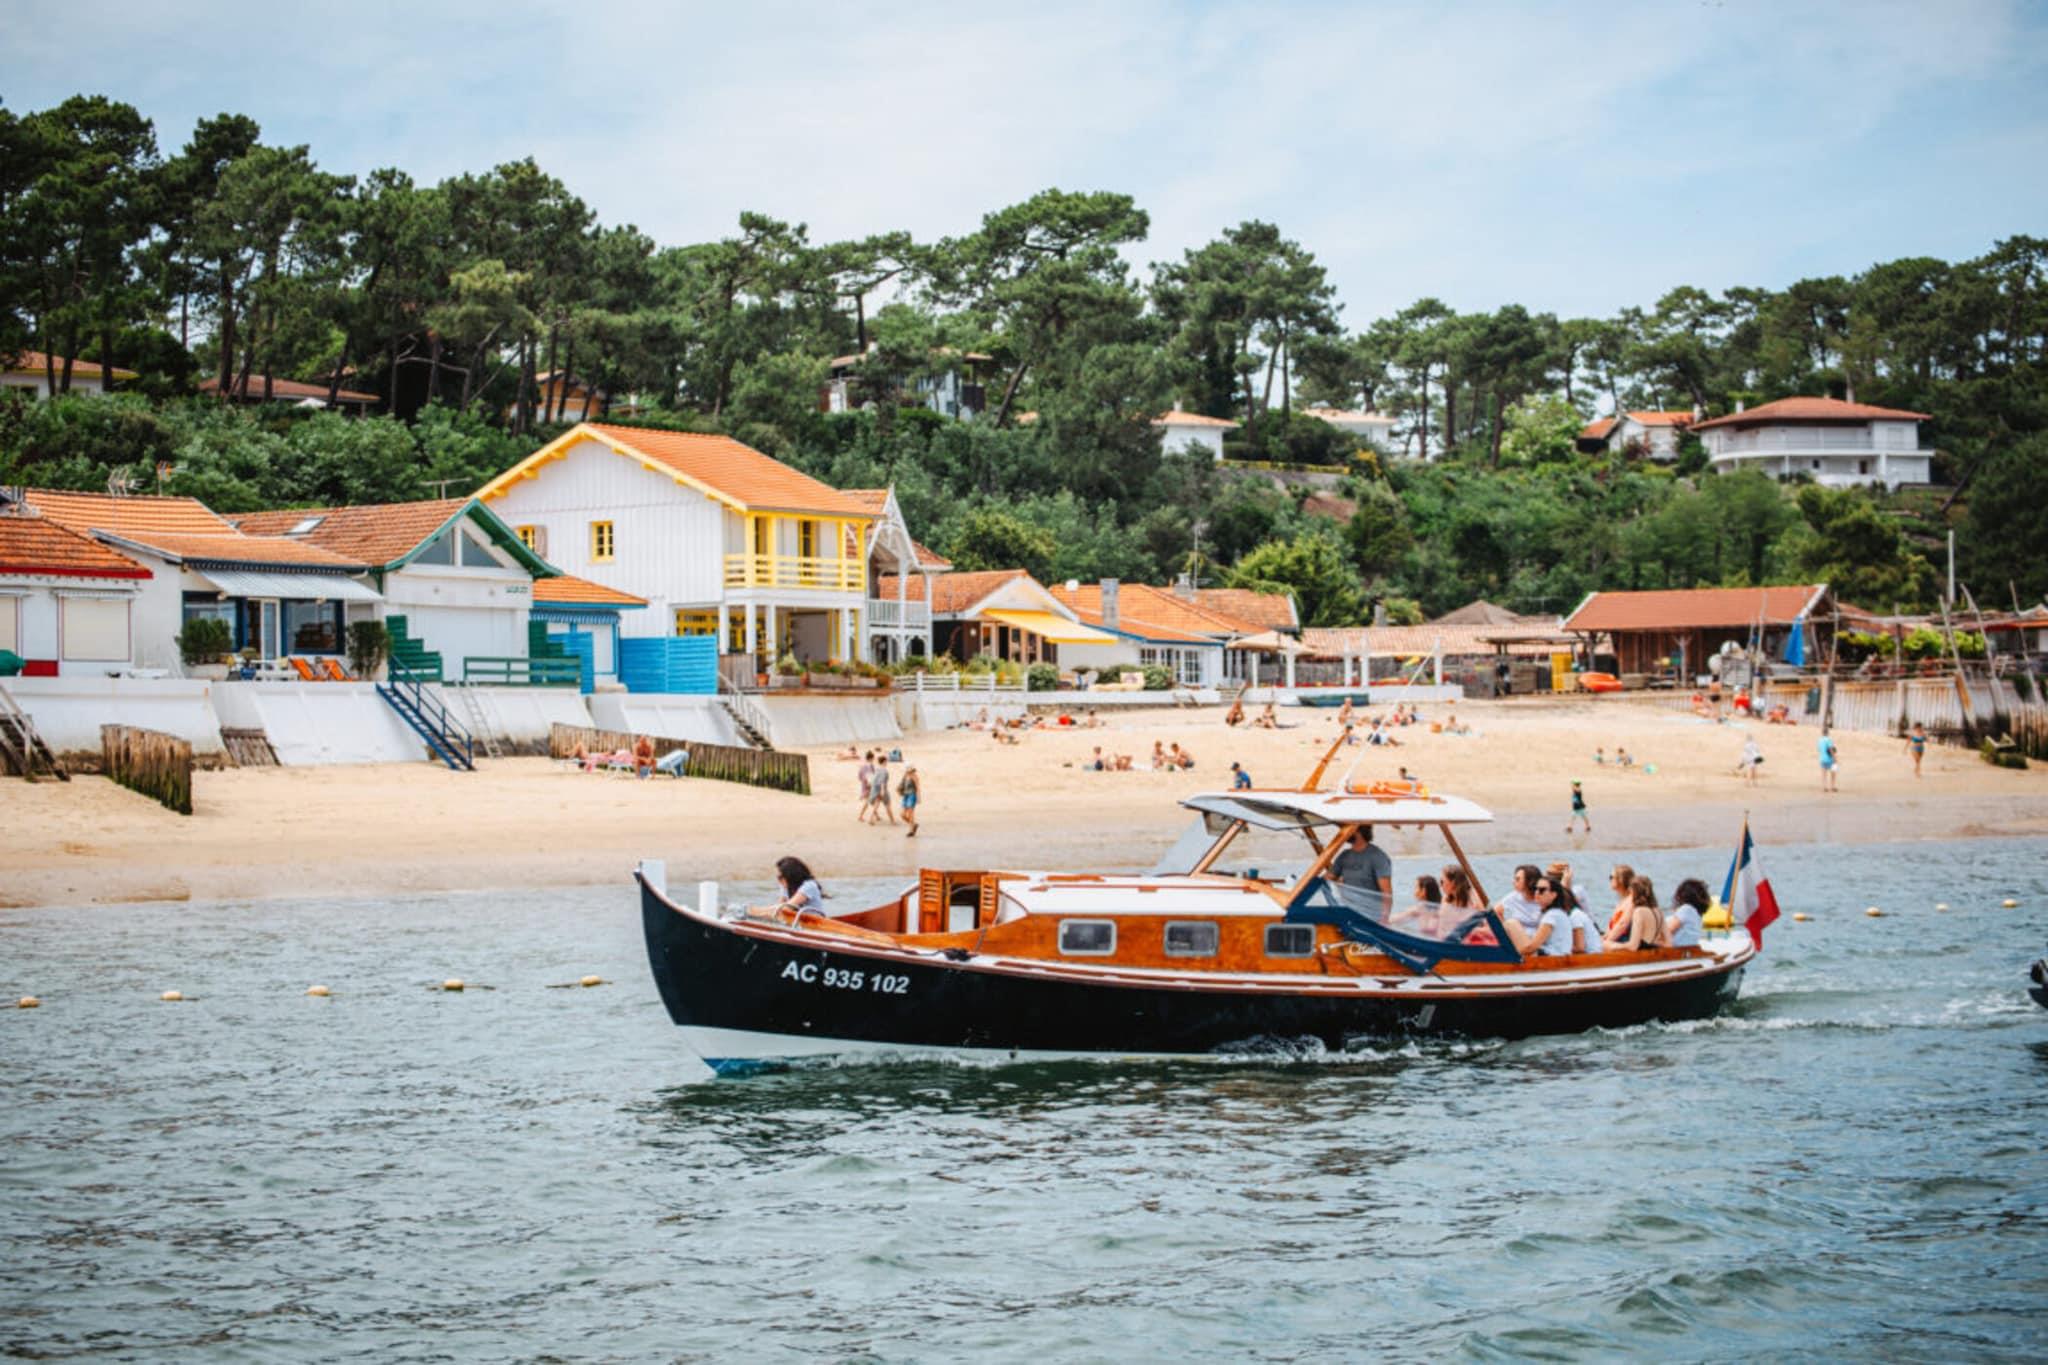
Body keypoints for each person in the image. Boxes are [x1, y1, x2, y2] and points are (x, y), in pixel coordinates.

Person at [1330, 825, 1394, 919]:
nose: (1343, 833)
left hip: (1371, 917)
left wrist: (1384, 918)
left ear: (1358, 832)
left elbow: (1386, 892)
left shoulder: (1378, 856)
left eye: (1347, 830)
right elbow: (1328, 877)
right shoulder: (1344, 856)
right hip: (1349, 913)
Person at [1607, 874, 1670, 951]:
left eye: (1630, 891)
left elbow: (1633, 946)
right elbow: (1668, 944)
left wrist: (1611, 945)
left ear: (1634, 892)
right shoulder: (1659, 911)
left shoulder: (1639, 912)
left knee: (1605, 944)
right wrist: (1653, 943)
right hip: (1650, 951)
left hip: (1637, 953)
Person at [1521, 877, 1576, 957]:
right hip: (1556, 956)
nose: (1536, 892)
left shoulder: (1552, 915)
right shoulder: (1558, 913)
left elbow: (1533, 946)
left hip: (1551, 958)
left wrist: (1512, 955)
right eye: (1535, 889)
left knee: (1511, 924)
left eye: (1541, 890)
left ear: (1553, 895)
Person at [1493, 864, 1545, 948]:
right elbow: (1495, 913)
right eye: (1514, 879)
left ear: (1530, 881)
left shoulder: (1543, 898)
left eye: (1517, 879)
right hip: (1519, 940)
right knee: (1510, 923)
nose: (1513, 882)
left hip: (1539, 942)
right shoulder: (1513, 897)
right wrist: (1504, 931)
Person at [765, 856, 824, 920]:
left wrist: (761, 911)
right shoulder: (786, 885)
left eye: (780, 877)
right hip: (796, 921)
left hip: (814, 922)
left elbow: (786, 908)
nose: (779, 881)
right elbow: (780, 905)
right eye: (778, 877)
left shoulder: (809, 886)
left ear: (791, 876)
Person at [1667, 877, 1709, 948]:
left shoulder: (1686, 909)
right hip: (1689, 948)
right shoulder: (1697, 915)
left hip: (1676, 949)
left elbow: (1669, 930)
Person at [1604, 864, 1637, 940]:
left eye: (1611, 877)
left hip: (1623, 941)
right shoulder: (1621, 902)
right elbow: (1611, 928)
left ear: (1621, 880)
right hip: (1614, 940)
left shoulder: (1632, 901)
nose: (1610, 880)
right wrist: (1603, 938)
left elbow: (1622, 925)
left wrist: (1606, 942)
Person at [870, 754, 896, 825]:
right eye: (886, 761)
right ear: (884, 761)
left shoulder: (877, 769)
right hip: (882, 789)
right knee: (887, 805)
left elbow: (873, 779)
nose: (887, 762)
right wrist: (882, 791)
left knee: (876, 804)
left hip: (876, 789)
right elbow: (882, 782)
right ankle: (892, 821)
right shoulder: (884, 770)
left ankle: (871, 818)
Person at [898, 765, 920, 838]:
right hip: (905, 796)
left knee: (911, 814)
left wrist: (919, 797)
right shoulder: (905, 776)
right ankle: (914, 825)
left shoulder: (914, 776)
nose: (907, 770)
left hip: (912, 795)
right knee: (902, 815)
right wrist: (899, 790)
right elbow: (901, 785)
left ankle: (911, 830)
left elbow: (918, 788)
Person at [857, 751, 877, 821]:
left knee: (872, 801)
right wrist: (870, 784)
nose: (874, 760)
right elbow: (871, 776)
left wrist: (863, 781)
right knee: (868, 801)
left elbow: (859, 776)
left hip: (864, 784)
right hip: (869, 785)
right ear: (871, 758)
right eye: (873, 758)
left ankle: (877, 816)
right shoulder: (870, 766)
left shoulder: (862, 766)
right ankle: (860, 816)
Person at [1818, 728, 1840, 793]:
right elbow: (1831, 749)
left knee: (1824, 773)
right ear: (1828, 733)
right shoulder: (1828, 740)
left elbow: (1819, 749)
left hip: (1822, 758)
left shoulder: (1820, 740)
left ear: (1822, 733)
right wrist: (1835, 758)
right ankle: (1832, 786)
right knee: (1833, 772)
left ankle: (1824, 787)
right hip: (1829, 759)